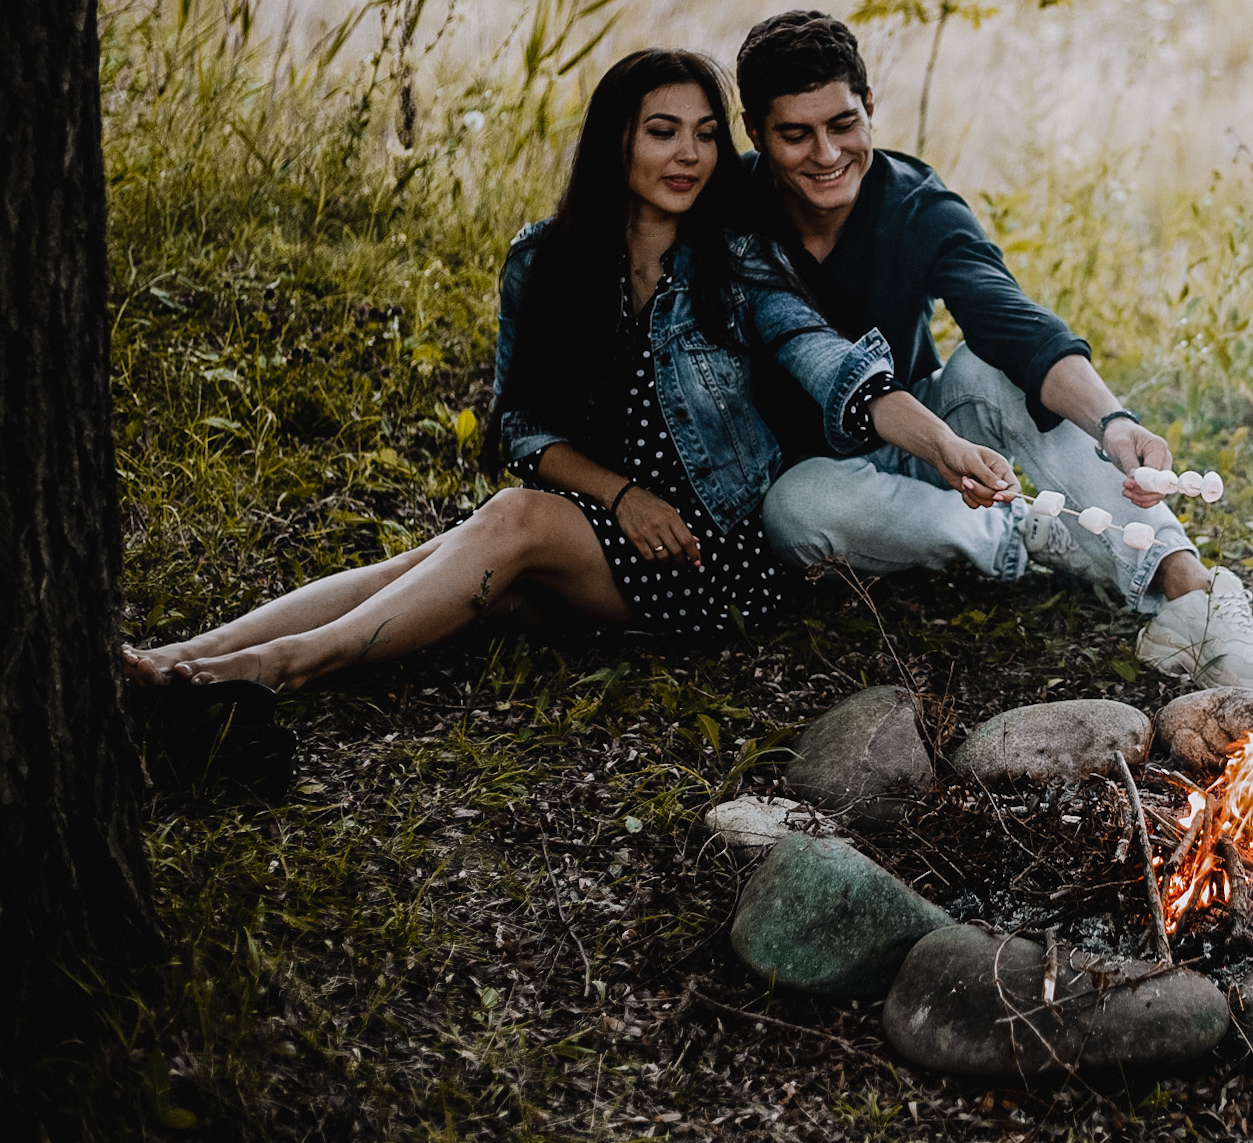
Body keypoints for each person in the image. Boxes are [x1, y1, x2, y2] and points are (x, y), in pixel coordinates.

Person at [122, 48, 1018, 692]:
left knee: (508, 525)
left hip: (717, 549)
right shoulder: (544, 263)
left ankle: (283, 667)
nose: (688, 156)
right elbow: (522, 425)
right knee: (441, 554)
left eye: (705, 135)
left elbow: (829, 364)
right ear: (615, 141)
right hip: (609, 523)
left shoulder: (735, 263)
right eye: (662, 131)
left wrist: (941, 443)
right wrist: (622, 496)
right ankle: (183, 656)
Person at [733, 10, 1253, 690]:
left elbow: (1012, 323)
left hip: (929, 443)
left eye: (843, 124)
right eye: (795, 135)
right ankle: (1015, 530)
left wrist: (1112, 421)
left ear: (870, 106)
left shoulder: (915, 205)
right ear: (755, 133)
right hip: (811, 479)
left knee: (984, 365)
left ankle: (1191, 597)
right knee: (798, 505)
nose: (825, 154)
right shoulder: (726, 215)